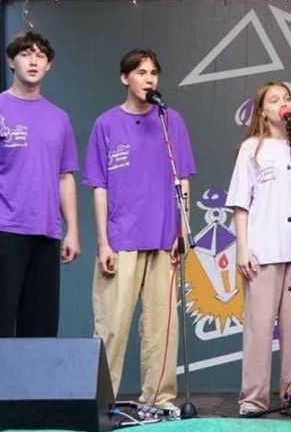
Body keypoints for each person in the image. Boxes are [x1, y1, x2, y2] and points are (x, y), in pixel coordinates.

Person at [85, 49, 196, 410]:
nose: (149, 79)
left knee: (162, 328)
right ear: (125, 78)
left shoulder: (170, 120)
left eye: (153, 73)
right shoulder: (105, 124)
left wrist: (183, 229)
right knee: (112, 326)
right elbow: (99, 187)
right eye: (141, 72)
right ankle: (101, 403)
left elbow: (182, 179)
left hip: (163, 238)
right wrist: (103, 242)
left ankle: (159, 399)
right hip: (121, 240)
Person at [0, 30, 80, 339]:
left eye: (40, 56)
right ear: (11, 60)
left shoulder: (59, 118)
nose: (33, 61)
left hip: (46, 235)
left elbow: (65, 176)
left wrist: (72, 230)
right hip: (2, 234)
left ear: (49, 65)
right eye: (26, 54)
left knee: (41, 331)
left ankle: (37, 377)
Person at [227, 82, 291, 417]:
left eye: (286, 98)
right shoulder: (251, 149)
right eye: (274, 99)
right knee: (258, 328)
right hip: (262, 251)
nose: (282, 103)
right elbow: (240, 204)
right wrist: (243, 247)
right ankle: (253, 400)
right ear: (262, 111)